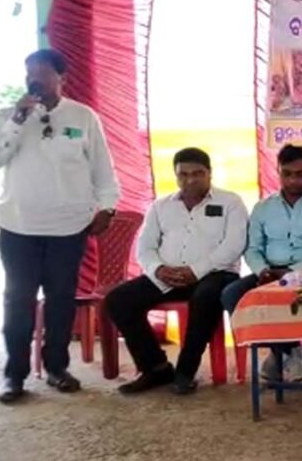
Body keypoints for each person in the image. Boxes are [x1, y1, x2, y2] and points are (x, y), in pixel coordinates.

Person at [0, 48, 121, 403]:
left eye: (42, 74)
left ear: (62, 78)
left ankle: (57, 368)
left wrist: (107, 207)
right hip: (18, 226)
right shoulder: (5, 117)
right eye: (30, 74)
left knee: (61, 300)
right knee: (18, 300)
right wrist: (17, 119)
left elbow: (103, 170)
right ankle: (14, 375)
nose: (35, 81)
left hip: (68, 229)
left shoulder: (83, 117)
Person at [105, 148, 248, 396]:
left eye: (197, 174)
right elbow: (145, 248)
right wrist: (159, 270)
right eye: (183, 174)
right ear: (175, 175)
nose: (190, 180)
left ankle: (185, 372)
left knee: (206, 297)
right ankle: (156, 368)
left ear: (210, 173)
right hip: (168, 275)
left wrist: (195, 271)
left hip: (215, 274)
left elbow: (234, 245)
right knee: (118, 300)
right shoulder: (161, 206)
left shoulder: (230, 202)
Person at [221, 145, 302, 383]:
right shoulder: (263, 208)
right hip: (269, 271)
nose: (293, 180)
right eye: (287, 174)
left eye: (301, 174)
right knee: (231, 295)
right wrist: (263, 270)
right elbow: (253, 248)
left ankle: (280, 353)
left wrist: (291, 272)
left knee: (289, 295)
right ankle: (289, 349)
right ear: (278, 172)